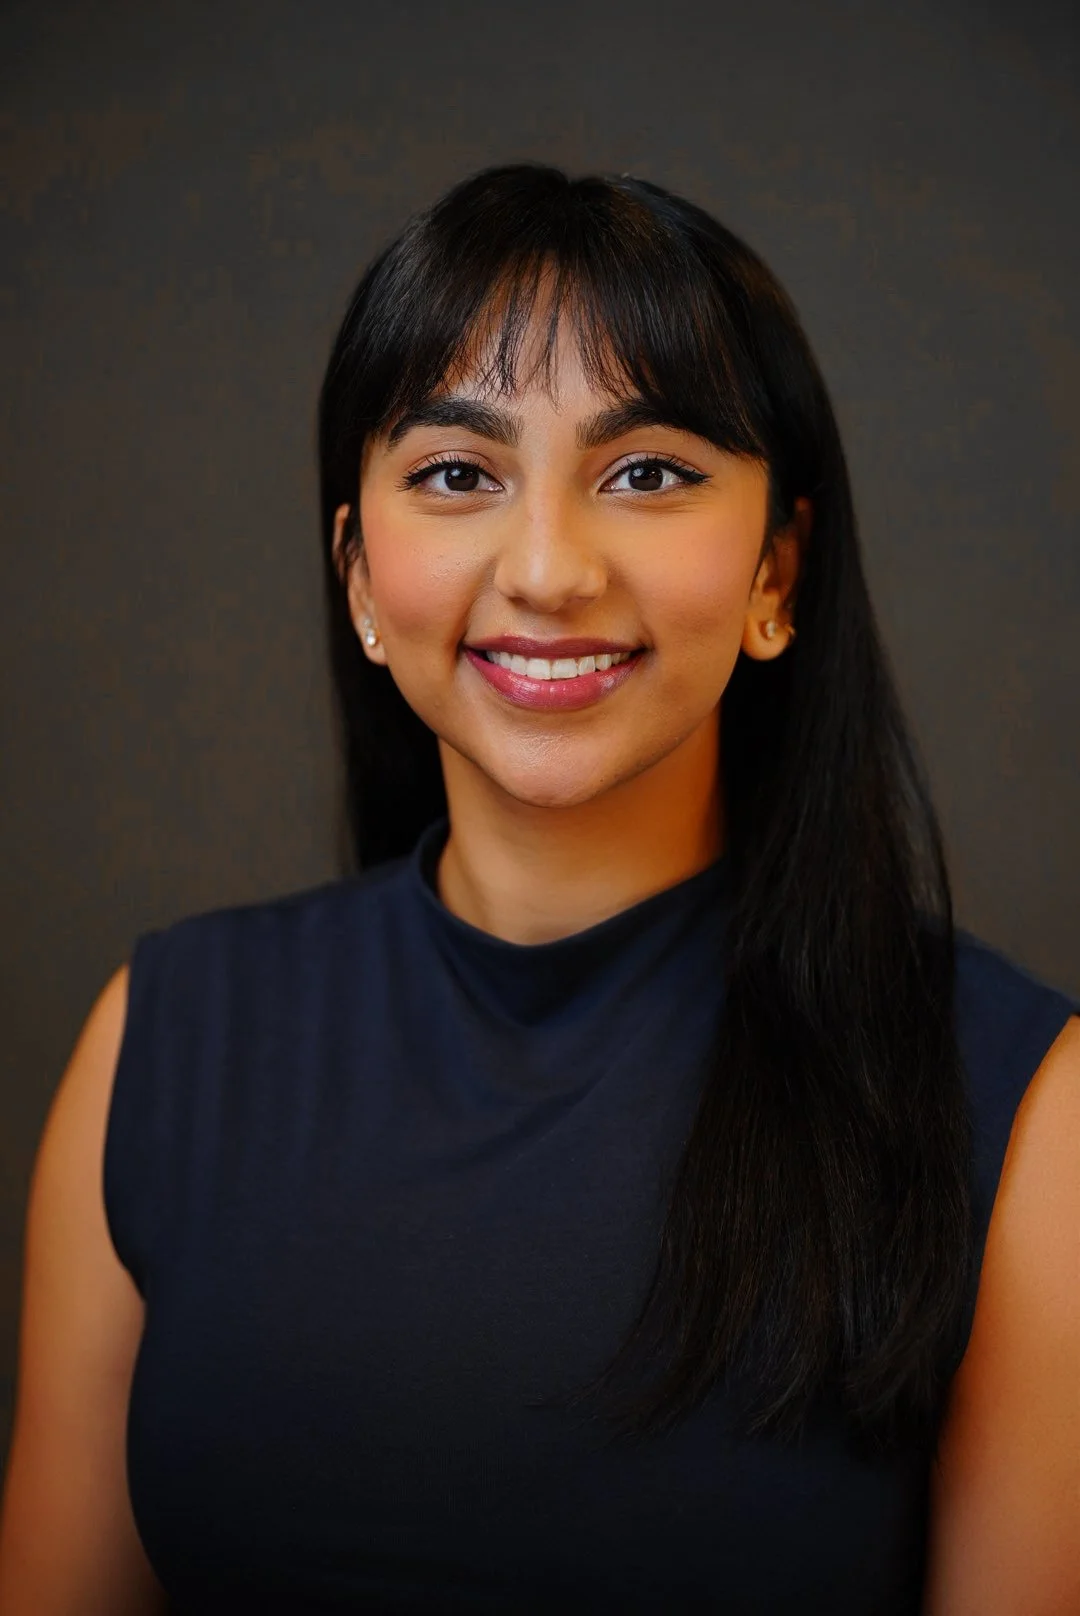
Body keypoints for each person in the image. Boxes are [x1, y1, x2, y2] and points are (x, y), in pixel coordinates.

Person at [0, 164, 1076, 1616]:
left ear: (778, 568)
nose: (551, 568)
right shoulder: (164, 1043)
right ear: (361, 578)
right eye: (457, 473)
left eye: (648, 472)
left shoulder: (1017, 1107)